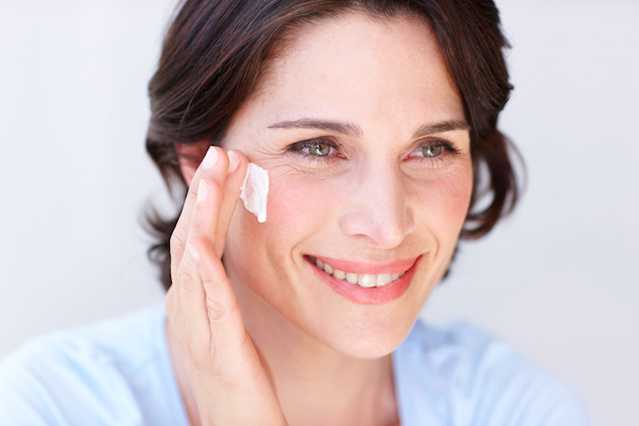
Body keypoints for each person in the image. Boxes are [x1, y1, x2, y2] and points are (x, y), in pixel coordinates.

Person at [0, 1, 590, 425]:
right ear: (199, 161)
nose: (387, 224)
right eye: (317, 148)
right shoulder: (53, 404)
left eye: (431, 148)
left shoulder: (508, 405)